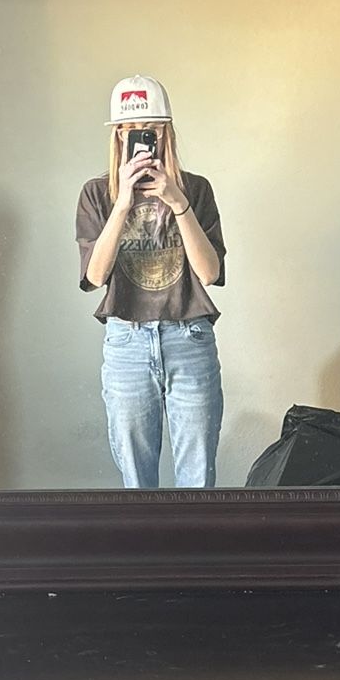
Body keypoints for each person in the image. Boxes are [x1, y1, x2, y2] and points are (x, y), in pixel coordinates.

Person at [75, 74, 226, 488]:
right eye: (130, 133)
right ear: (118, 136)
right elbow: (95, 274)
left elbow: (210, 273)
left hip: (189, 337)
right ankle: (147, 555)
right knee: (136, 486)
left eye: (152, 132)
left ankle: (194, 555)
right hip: (127, 341)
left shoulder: (195, 190)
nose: (141, 142)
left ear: (166, 133)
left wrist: (178, 203)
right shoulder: (97, 195)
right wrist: (123, 202)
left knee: (198, 481)